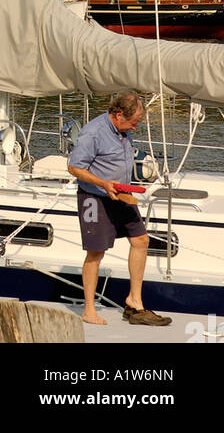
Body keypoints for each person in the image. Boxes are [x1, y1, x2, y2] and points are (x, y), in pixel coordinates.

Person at [68, 90, 171, 327]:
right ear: (117, 115)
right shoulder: (93, 133)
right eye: (133, 122)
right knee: (96, 253)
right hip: (95, 197)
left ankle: (134, 301)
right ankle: (89, 310)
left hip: (122, 194)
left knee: (141, 240)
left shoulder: (122, 130)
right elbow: (74, 167)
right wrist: (104, 183)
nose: (135, 128)